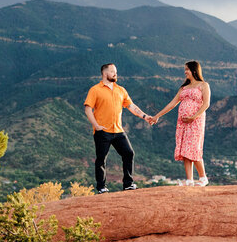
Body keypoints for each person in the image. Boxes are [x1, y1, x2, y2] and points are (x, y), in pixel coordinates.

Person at [83, 63, 153, 193]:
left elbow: (131, 106)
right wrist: (96, 126)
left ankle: (128, 184)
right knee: (101, 159)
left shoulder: (121, 90)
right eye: (112, 71)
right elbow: (88, 109)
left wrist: (145, 116)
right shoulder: (95, 89)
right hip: (102, 131)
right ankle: (101, 187)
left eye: (116, 71)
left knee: (129, 153)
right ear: (105, 73)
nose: (116, 74)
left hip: (118, 130)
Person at [151, 60, 211, 186]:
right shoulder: (184, 87)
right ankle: (189, 180)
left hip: (196, 121)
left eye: (187, 69)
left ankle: (203, 177)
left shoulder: (203, 85)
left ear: (194, 70)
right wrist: (157, 116)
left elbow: (206, 104)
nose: (185, 72)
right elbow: (172, 103)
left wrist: (194, 116)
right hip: (182, 122)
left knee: (193, 147)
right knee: (184, 149)